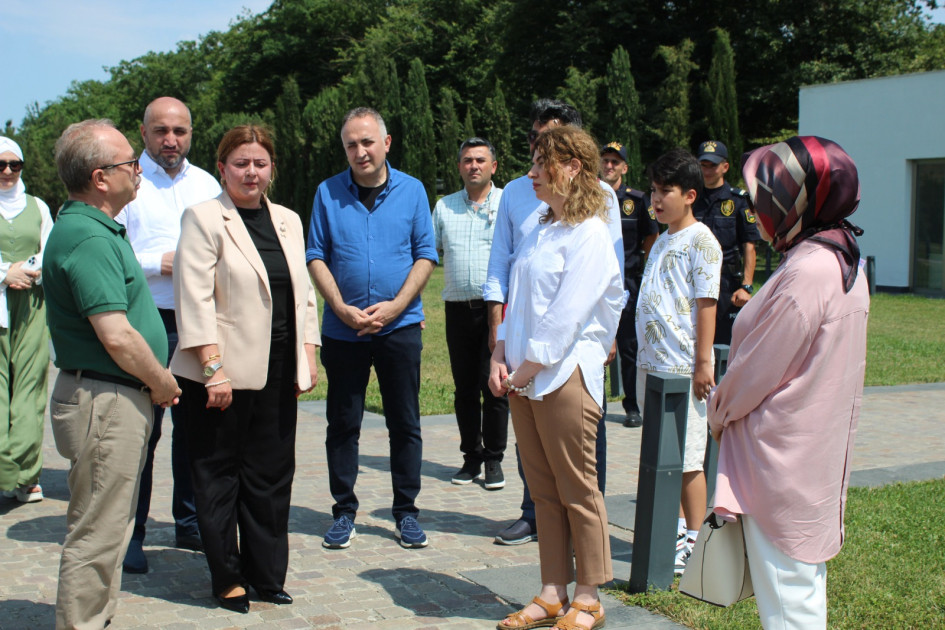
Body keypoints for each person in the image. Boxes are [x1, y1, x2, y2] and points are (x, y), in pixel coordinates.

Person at [708, 137, 869, 629]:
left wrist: (717, 411)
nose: (759, 211)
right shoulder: (844, 257)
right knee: (799, 594)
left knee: (787, 607)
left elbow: (755, 373)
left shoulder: (807, 270)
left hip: (779, 458)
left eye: (772, 198)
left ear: (804, 201)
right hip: (811, 452)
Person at [171, 125, 320, 613]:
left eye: (259, 163)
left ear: (271, 168)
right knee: (219, 477)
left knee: (272, 476)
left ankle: (266, 574)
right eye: (240, 163)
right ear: (222, 168)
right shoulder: (204, 218)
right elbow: (192, 298)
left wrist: (308, 354)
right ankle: (227, 576)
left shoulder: (289, 221)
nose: (251, 172)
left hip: (278, 371)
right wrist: (212, 367)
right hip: (222, 376)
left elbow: (303, 295)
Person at [44, 119, 181, 630]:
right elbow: (117, 334)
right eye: (129, 162)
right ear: (101, 177)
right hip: (106, 400)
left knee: (108, 526)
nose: (138, 169)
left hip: (111, 396)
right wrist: (162, 382)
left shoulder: (94, 228)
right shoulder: (88, 237)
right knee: (98, 533)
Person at [489, 125, 624, 630]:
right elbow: (518, 302)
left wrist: (525, 367)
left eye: (540, 165)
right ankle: (551, 591)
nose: (531, 175)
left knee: (578, 490)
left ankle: (587, 597)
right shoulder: (540, 228)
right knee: (543, 492)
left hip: (563, 378)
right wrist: (500, 352)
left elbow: (567, 314)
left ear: (570, 166)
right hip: (523, 377)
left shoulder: (590, 233)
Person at [306, 107, 437, 550]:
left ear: (386, 143)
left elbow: (425, 254)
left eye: (367, 142)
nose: (359, 152)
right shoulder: (327, 192)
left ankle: (406, 513)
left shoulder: (413, 190)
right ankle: (343, 511)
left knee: (405, 422)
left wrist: (398, 305)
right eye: (350, 145)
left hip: (400, 327)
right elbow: (316, 255)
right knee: (343, 423)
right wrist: (340, 308)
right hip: (344, 330)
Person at [115, 96, 221, 574]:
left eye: (180, 131)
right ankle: (131, 533)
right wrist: (155, 262)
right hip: (147, 320)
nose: (171, 140)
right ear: (144, 133)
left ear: (191, 133)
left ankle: (190, 521)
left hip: (199, 322)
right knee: (144, 431)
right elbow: (111, 250)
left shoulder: (207, 184)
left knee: (195, 430)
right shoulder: (126, 181)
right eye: (161, 131)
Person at [636, 148, 721, 575]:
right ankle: (668, 530)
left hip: (683, 366)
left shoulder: (701, 239)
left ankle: (696, 537)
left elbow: (706, 303)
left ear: (689, 194)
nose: (656, 198)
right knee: (661, 453)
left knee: (688, 458)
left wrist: (703, 362)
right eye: (653, 189)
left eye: (665, 191)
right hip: (652, 366)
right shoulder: (662, 239)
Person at [433, 137, 509, 490]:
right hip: (457, 310)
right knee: (464, 388)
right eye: (467, 160)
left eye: (480, 160)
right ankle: (471, 457)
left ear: (493, 166)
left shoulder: (506, 202)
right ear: (459, 166)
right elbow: (428, 255)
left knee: (493, 385)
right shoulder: (444, 207)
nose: (473, 166)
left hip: (496, 309)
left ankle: (494, 459)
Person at [0, 137, 52, 503]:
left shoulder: (38, 206)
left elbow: (48, 249)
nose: (6, 172)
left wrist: (25, 271)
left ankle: (25, 473)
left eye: (13, 165)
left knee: (30, 388)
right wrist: (6, 273)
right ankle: (5, 469)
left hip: (33, 303)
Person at [599, 141, 658, 429]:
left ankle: (632, 405)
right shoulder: (591, 196)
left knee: (629, 346)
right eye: (605, 161)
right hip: (596, 280)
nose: (609, 166)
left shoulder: (637, 199)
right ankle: (595, 401)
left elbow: (651, 235)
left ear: (624, 167)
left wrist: (639, 264)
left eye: (615, 162)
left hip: (628, 281)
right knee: (596, 341)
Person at [693, 140, 761, 345]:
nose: (707, 170)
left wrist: (746, 287)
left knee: (725, 345)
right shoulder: (690, 199)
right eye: (703, 165)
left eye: (712, 165)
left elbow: (749, 246)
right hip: (694, 281)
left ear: (725, 167)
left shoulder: (738, 201)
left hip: (727, 284)